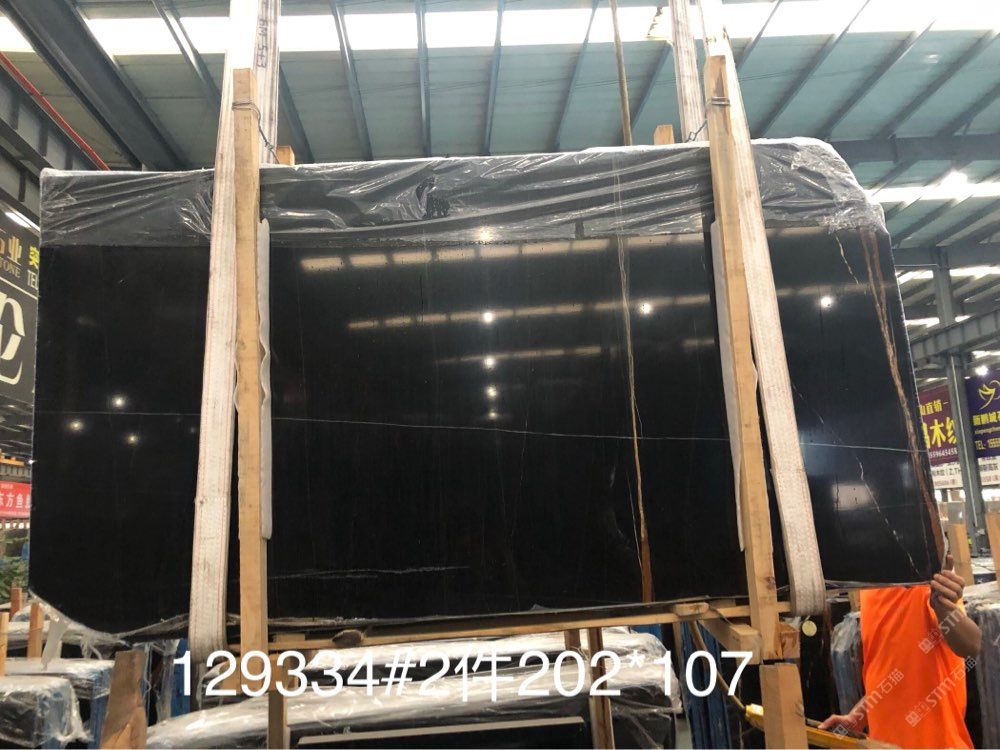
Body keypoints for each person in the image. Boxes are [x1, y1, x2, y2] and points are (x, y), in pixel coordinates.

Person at [820, 554, 982, 748]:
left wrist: (945, 609)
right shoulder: (869, 591)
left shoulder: (924, 583)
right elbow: (890, 671)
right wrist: (857, 716)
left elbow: (971, 645)